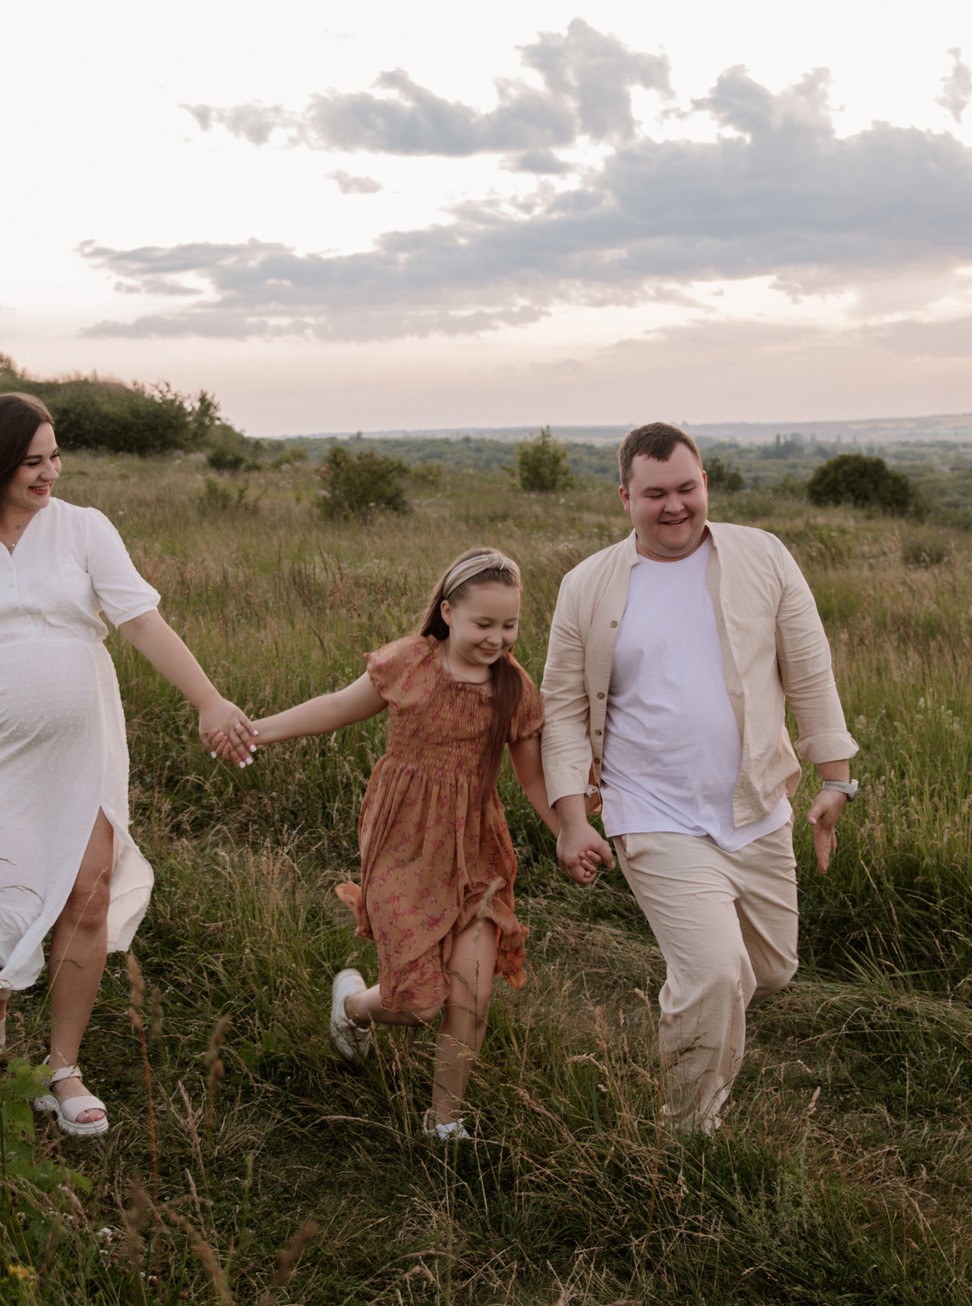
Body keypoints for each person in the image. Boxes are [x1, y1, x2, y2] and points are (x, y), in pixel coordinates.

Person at [0, 393, 255, 1138]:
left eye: (54, 455)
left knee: (87, 891)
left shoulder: (84, 529)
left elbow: (141, 620)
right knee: (4, 896)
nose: (50, 472)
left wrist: (209, 700)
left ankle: (62, 1067)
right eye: (32, 460)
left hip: (84, 747)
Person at [541, 423, 858, 1134]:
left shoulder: (763, 556)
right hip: (650, 811)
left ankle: (693, 1000)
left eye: (687, 488)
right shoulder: (586, 587)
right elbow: (559, 712)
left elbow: (810, 670)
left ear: (705, 481)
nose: (675, 505)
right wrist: (571, 818)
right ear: (626, 496)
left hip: (756, 806)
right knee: (716, 973)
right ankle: (687, 1134)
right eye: (656, 493)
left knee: (768, 969)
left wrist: (835, 779)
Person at [248, 547, 557, 1140]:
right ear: (447, 612)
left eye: (510, 625)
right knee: (416, 1003)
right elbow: (338, 708)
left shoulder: (514, 690)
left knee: (470, 992)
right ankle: (354, 1007)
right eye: (484, 624)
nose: (498, 638)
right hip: (403, 843)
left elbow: (533, 778)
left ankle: (444, 1123)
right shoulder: (409, 664)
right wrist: (258, 731)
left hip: (476, 851)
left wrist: (572, 831)